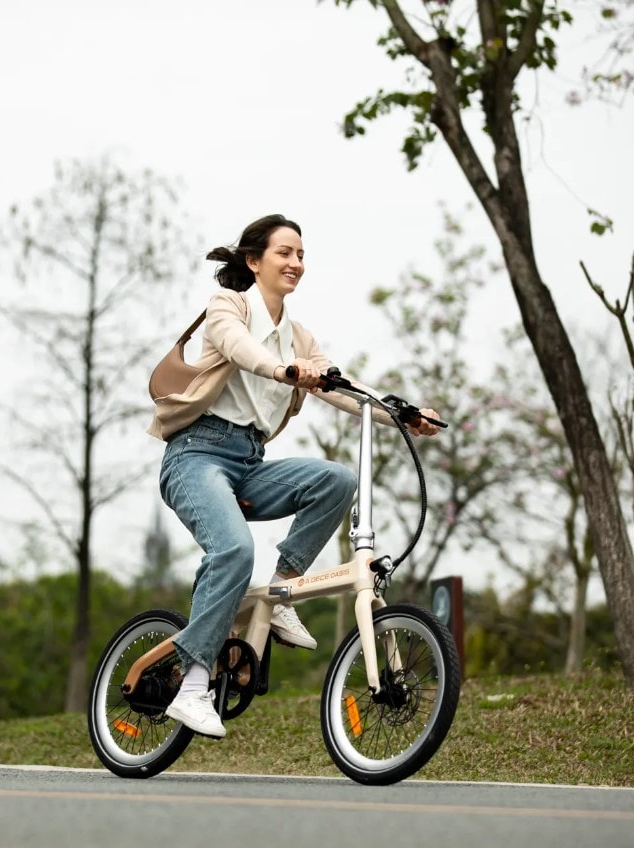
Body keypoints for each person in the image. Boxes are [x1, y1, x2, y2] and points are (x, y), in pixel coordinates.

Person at [148, 213, 442, 738]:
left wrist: (400, 414)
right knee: (235, 551)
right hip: (195, 456)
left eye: (301, 255)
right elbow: (240, 348)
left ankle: (283, 593)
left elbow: (340, 387)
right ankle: (192, 686)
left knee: (335, 480)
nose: (296, 263)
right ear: (253, 260)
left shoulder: (299, 336)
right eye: (285, 252)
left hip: (248, 462)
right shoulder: (228, 306)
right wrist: (284, 371)